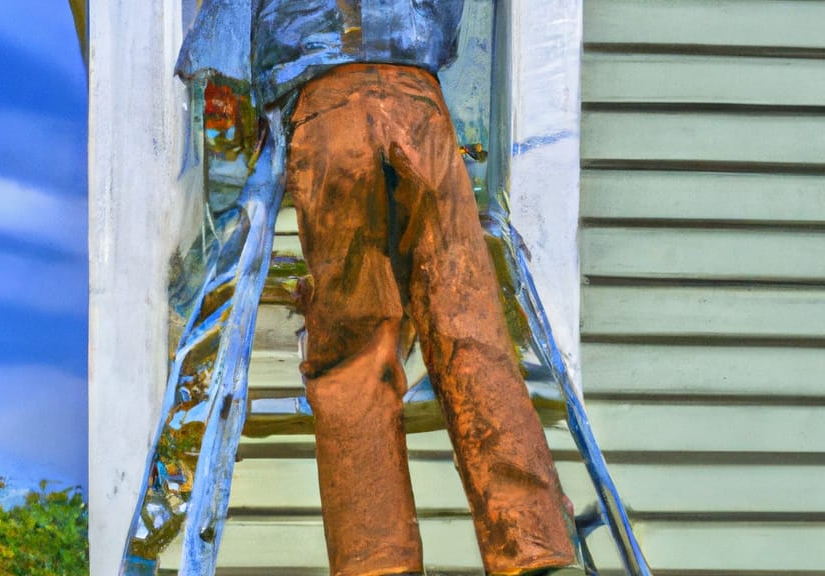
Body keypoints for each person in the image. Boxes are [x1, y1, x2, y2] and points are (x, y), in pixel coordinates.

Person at [178, 2, 580, 575]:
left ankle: (377, 560)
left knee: (353, 353)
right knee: (469, 319)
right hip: (420, 102)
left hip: (327, 111)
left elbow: (214, 55)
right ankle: (530, 535)